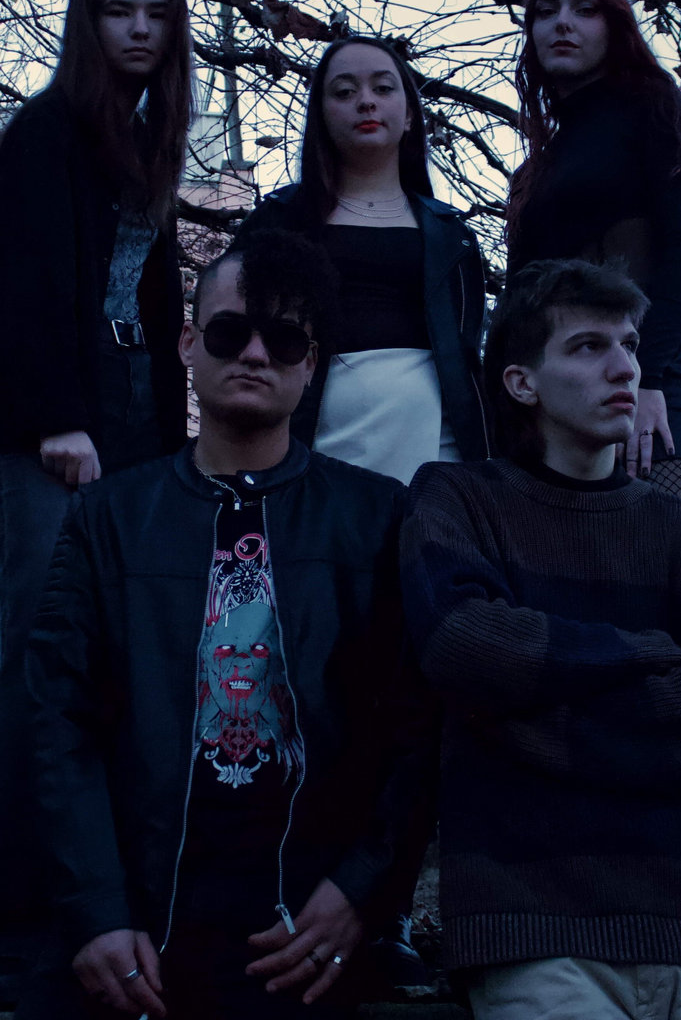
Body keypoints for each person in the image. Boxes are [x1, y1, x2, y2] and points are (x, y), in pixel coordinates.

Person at [21, 229, 435, 1020]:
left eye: (284, 339)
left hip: (302, 945)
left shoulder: (376, 518)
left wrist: (360, 892)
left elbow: (415, 730)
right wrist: (96, 912)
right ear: (187, 344)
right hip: (134, 932)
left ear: (310, 365)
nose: (254, 354)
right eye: (228, 332)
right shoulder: (109, 518)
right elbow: (57, 723)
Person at [400, 258, 681, 1020]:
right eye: (589, 346)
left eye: (629, 345)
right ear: (522, 382)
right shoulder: (460, 499)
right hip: (534, 931)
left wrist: (520, 711)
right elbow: (462, 646)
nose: (624, 368)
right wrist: (648, 651)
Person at [0, 0, 194, 999]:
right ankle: (23, 920)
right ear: (89, 23)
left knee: (121, 650)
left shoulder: (148, 141)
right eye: (119, 13)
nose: (139, 30)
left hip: (134, 414)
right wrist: (55, 420)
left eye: (156, 14)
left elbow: (153, 304)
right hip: (56, 425)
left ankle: (106, 903)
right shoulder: (44, 135)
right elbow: (21, 285)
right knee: (38, 650)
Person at [507, 0, 681, 511]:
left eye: (584, 9)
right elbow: (521, 301)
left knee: (674, 548)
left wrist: (646, 377)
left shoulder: (652, 108)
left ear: (614, 26)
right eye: (546, 11)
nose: (562, 23)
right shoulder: (538, 168)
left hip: (660, 369)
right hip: (563, 394)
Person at [231, 35, 491, 487]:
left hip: (435, 455)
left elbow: (467, 355)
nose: (366, 102)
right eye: (345, 91)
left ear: (409, 115)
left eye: (383, 88)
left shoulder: (453, 236)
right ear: (321, 115)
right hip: (306, 454)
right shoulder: (276, 222)